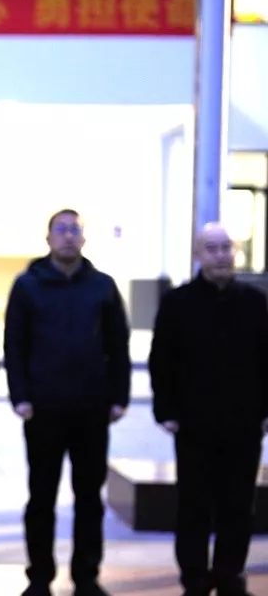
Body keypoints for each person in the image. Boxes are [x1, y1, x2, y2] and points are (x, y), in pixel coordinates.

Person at [3, 209, 130, 596]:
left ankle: (86, 577)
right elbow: (14, 344)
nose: (69, 236)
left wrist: (119, 397)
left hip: (92, 408)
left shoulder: (103, 286)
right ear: (48, 238)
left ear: (84, 238)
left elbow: (118, 345)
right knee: (41, 497)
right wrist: (20, 396)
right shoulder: (28, 285)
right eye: (61, 229)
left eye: (75, 229)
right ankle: (39, 578)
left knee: (90, 498)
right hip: (43, 408)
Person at [148, 222, 268, 596]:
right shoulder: (178, 302)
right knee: (193, 505)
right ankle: (195, 578)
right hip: (193, 423)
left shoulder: (255, 302)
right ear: (198, 254)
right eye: (212, 248)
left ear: (236, 252)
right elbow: (161, 360)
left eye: (226, 248)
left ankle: (230, 575)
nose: (220, 255)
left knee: (238, 506)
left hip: (244, 422)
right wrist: (166, 410)